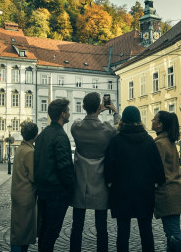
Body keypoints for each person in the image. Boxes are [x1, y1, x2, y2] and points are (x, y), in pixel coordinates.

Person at [105, 106, 165, 252]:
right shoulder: (149, 141)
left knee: (123, 232)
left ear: (123, 121)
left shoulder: (116, 141)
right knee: (146, 230)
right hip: (144, 192)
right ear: (139, 120)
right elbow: (158, 169)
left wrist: (110, 183)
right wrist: (156, 183)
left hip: (121, 192)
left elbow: (108, 168)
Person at [69, 92, 120, 252]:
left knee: (77, 225)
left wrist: (96, 111)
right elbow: (120, 127)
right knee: (101, 226)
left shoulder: (76, 127)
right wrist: (115, 112)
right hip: (100, 183)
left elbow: (81, 121)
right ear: (99, 107)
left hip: (80, 183)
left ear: (83, 107)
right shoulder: (107, 129)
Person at [34, 98, 74, 252]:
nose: (69, 113)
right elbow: (64, 166)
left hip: (43, 190)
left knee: (44, 230)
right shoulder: (60, 135)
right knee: (52, 231)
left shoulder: (43, 134)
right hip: (56, 192)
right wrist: (70, 187)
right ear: (63, 114)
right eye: (68, 110)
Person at [151, 111, 181, 252]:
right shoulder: (169, 141)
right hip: (174, 190)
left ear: (160, 125)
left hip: (168, 193)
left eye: (154, 119)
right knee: (171, 233)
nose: (152, 120)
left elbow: (157, 170)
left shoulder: (160, 144)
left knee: (174, 233)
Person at [10, 121, 39, 252]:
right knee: (22, 232)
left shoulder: (21, 148)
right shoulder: (29, 152)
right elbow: (33, 176)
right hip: (25, 196)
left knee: (19, 229)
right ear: (35, 135)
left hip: (18, 193)